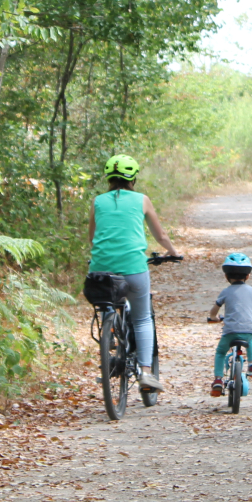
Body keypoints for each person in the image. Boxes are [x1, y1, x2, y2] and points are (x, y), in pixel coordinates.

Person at [87, 153, 179, 393]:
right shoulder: (142, 200)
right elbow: (161, 236)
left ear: (109, 177)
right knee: (141, 318)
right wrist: (174, 252)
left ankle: (111, 336)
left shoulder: (97, 201)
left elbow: (92, 238)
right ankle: (146, 373)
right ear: (133, 177)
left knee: (107, 304)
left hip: (100, 272)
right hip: (134, 269)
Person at [206, 253, 252, 397]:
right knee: (250, 340)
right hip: (247, 331)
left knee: (221, 352)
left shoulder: (226, 291)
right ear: (247, 276)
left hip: (230, 332)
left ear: (226, 277)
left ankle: (218, 380)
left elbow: (214, 311)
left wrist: (214, 318)